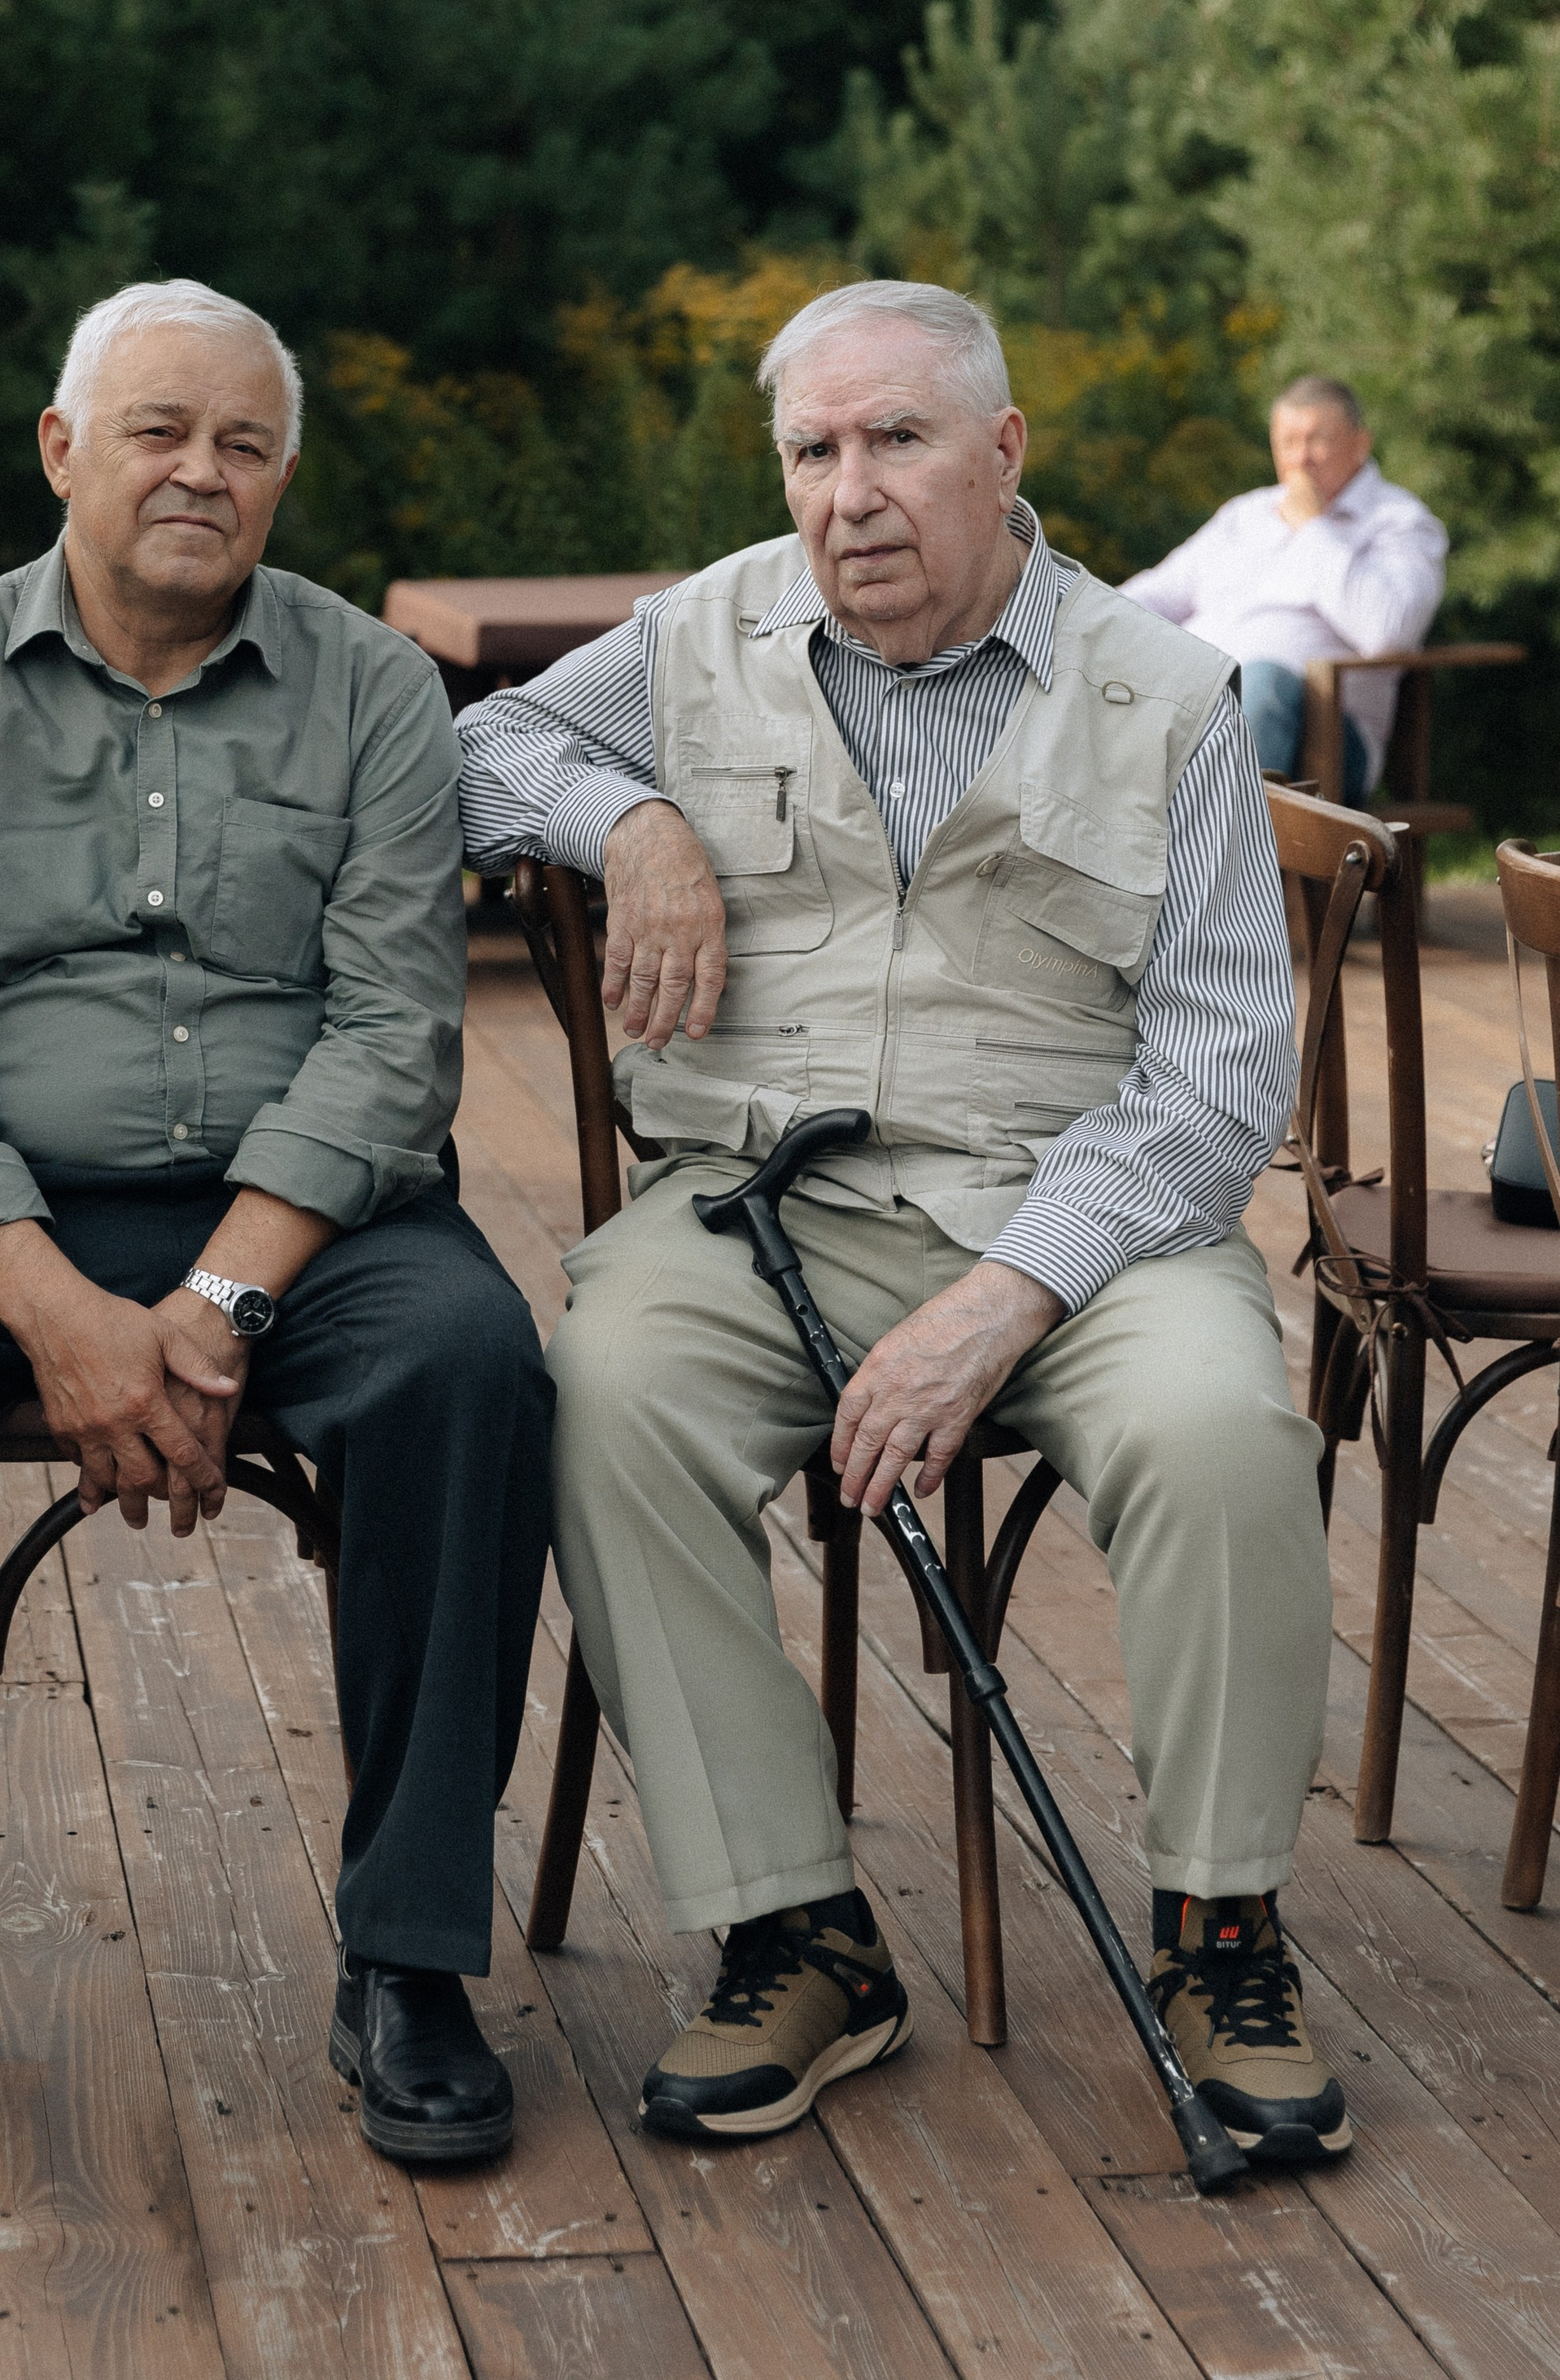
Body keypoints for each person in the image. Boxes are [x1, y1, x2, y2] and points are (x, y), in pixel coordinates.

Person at [458, 279, 1348, 2170]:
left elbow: (1210, 1085)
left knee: (1217, 1428)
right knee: (600, 1383)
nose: (845, 491)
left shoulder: (1159, 690)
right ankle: (795, 1925)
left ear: (1003, 450)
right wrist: (633, 823)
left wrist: (1002, 1295)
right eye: (809, 449)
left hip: (1080, 1221)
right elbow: (479, 754)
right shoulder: (698, 636)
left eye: (895, 439)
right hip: (756, 1207)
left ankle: (1216, 1930)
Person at [0, 280, 551, 2177]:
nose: (200, 471)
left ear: (283, 476)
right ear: (63, 451)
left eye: (244, 443)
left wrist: (218, 1299)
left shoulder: (377, 691)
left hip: (318, 1218)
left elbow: (393, 1042)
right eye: (158, 429)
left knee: (472, 1368)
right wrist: (69, 1318)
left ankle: (407, 1956)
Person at [1121, 377, 1446, 802]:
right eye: (1287, 442)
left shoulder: (1399, 521)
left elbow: (1388, 630)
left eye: (1315, 440)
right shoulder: (1245, 515)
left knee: (1263, 679)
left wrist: (1313, 527)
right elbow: (1155, 595)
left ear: (1360, 443)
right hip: (1199, 710)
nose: (1299, 459)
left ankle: (1227, 860)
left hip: (1324, 738)